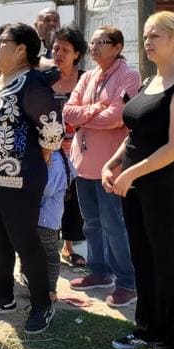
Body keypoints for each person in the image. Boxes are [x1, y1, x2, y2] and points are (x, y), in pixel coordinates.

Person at [103, 11, 174, 349]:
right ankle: (147, 330)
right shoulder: (150, 81)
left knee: (167, 263)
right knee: (142, 259)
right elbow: (135, 135)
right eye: (145, 35)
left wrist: (132, 174)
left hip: (164, 185)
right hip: (137, 183)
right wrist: (112, 164)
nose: (148, 41)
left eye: (156, 35)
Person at [0, 22, 63, 335]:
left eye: (1, 41)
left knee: (25, 240)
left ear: (21, 49)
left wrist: (45, 154)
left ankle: (41, 304)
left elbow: (52, 129)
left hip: (19, 177)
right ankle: (4, 296)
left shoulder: (31, 82)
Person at [63, 26, 141, 306]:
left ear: (117, 46)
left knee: (114, 224)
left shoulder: (129, 76)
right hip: (83, 163)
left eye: (101, 42)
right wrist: (94, 109)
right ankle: (99, 270)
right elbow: (68, 112)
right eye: (92, 42)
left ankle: (127, 282)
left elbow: (117, 117)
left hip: (110, 164)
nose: (94, 47)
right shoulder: (89, 76)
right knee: (91, 223)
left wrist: (86, 116)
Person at [46, 25, 89, 264]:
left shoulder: (85, 79)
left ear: (77, 54)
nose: (59, 54)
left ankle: (70, 247)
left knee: (74, 200)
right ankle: (50, 247)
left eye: (65, 49)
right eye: (55, 48)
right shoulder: (44, 78)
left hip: (78, 150)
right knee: (50, 199)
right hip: (48, 151)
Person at [37, 150, 74, 302]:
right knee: (38, 252)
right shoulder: (57, 157)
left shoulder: (56, 160)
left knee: (50, 253)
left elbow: (47, 189)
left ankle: (51, 290)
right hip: (42, 217)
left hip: (47, 218)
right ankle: (37, 286)